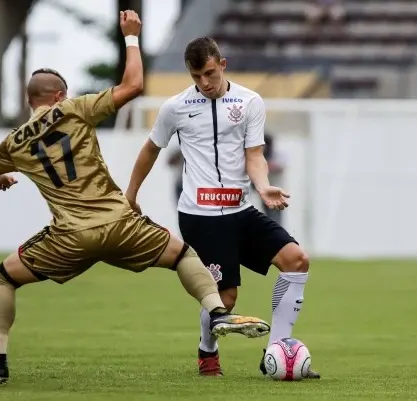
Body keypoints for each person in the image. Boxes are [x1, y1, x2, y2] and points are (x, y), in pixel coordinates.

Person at [0, 13, 270, 387]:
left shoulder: (12, 142)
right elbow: (134, 84)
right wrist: (130, 38)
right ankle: (218, 312)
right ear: (60, 95)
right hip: (119, 222)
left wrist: (3, 179)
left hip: (69, 236)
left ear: (30, 100)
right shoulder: (74, 109)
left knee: (3, 277)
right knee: (184, 255)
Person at [125, 37, 320, 379]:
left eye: (210, 73)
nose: (204, 82)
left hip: (241, 210)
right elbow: (151, 149)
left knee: (296, 260)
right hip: (200, 216)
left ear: (223, 64)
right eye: (196, 76)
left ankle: (276, 351)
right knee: (225, 299)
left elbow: (254, 155)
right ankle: (207, 352)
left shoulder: (249, 102)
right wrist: (131, 194)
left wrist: (263, 187)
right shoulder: (175, 107)